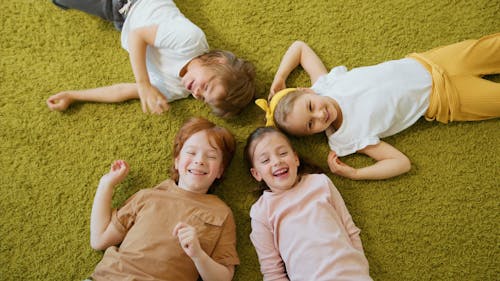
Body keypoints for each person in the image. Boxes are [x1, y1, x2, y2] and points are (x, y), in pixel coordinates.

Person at [257, 34, 500, 180]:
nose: (321, 115)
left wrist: (280, 77)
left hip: (431, 62)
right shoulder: (347, 139)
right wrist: (357, 174)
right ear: (311, 135)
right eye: (311, 125)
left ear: (306, 91)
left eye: (311, 106)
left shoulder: (326, 84)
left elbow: (299, 47)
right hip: (444, 99)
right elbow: (401, 163)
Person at [87, 117, 239, 280]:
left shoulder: (221, 213)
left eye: (211, 156)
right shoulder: (147, 196)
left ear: (220, 171)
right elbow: (99, 240)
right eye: (191, 152)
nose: (199, 160)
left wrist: (198, 255)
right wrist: (106, 184)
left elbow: (224, 277)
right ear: (177, 160)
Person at [47, 0, 256, 117]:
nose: (197, 92)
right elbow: (139, 36)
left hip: (118, 15)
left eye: (202, 98)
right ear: (218, 62)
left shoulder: (177, 90)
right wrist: (144, 83)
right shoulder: (190, 41)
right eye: (207, 87)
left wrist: (75, 96)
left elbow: (125, 91)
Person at [244, 126, 372, 280]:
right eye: (265, 160)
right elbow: (272, 272)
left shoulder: (320, 182)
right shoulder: (261, 212)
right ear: (257, 174)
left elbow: (350, 229)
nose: (277, 161)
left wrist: (362, 268)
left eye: (283, 153)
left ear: (296, 158)